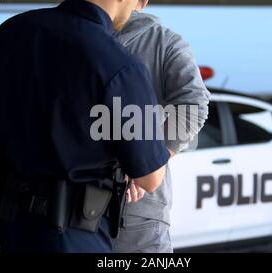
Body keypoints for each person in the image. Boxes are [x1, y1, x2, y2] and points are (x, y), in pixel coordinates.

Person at [0, 0, 170, 253]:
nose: (140, 8)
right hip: (69, 239)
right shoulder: (121, 66)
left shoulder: (11, 32)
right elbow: (151, 178)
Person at [112, 0, 210, 253]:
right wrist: (148, 162)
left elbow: (194, 104)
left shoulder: (70, 40)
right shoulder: (168, 43)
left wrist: (148, 162)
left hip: (94, 208)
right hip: (136, 211)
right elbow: (194, 105)